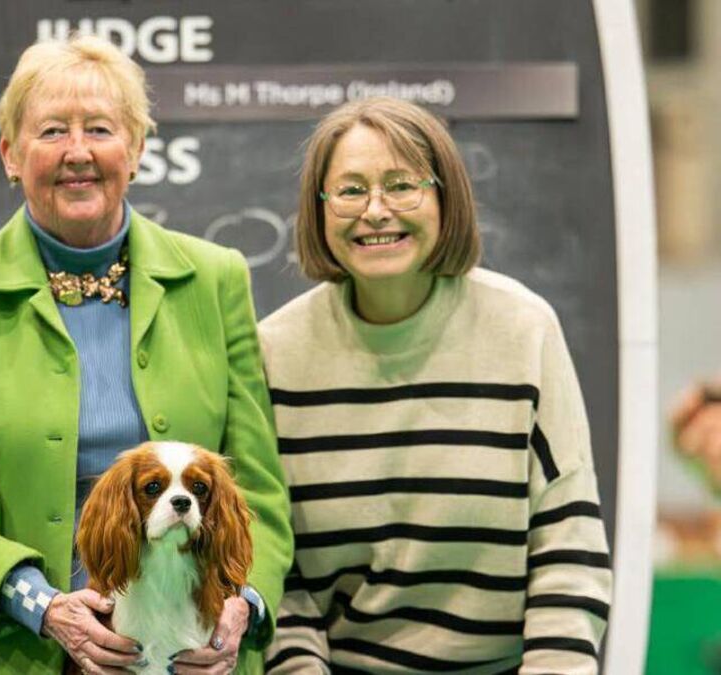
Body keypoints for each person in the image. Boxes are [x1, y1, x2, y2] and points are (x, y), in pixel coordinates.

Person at [0, 35, 293, 675]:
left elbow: (259, 492)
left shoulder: (216, 278)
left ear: (135, 150)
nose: (78, 152)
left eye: (101, 130)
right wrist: (42, 606)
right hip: (12, 650)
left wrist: (241, 605)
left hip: (191, 655)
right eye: (52, 130)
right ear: (10, 154)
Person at [258, 98, 612, 673]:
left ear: (447, 199)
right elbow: (276, 567)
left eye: (402, 186)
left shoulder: (524, 331)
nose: (376, 211)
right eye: (350, 191)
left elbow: (567, 544)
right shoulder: (275, 353)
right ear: (318, 209)